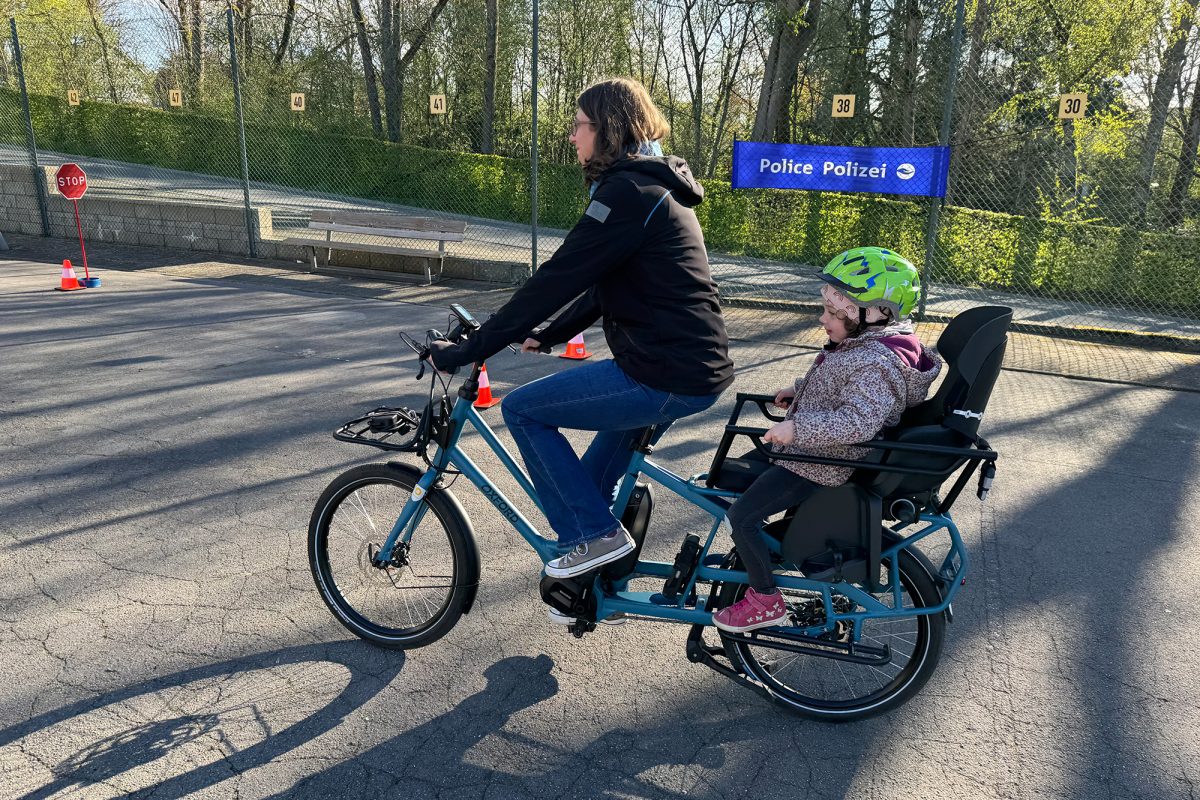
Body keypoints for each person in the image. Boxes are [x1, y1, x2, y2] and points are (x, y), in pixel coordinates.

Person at [428, 77, 733, 583]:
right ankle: (603, 586)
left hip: (663, 373)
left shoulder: (629, 192)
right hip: (686, 365)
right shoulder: (649, 186)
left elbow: (556, 278)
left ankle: (595, 540)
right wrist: (549, 334)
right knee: (587, 486)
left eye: (578, 126)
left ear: (607, 128)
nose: (572, 137)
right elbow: (600, 283)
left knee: (521, 410)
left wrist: (472, 348)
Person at [711, 247, 943, 634]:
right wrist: (798, 389)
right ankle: (760, 561)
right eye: (827, 309)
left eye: (836, 313)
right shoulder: (869, 348)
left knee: (743, 516)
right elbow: (839, 388)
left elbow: (856, 421)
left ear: (876, 314)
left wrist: (797, 429)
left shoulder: (876, 363)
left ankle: (765, 600)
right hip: (816, 453)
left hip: (819, 462)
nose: (825, 319)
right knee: (741, 496)